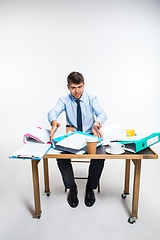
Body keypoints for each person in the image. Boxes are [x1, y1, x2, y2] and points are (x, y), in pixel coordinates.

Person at [48, 72, 107, 208]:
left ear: (84, 85)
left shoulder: (91, 99)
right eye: (73, 87)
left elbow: (102, 113)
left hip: (90, 136)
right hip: (72, 138)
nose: (77, 91)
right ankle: (72, 187)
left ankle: (90, 188)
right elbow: (53, 112)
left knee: (100, 157)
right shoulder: (64, 100)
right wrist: (54, 122)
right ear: (68, 87)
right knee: (61, 158)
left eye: (79, 87)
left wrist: (97, 122)